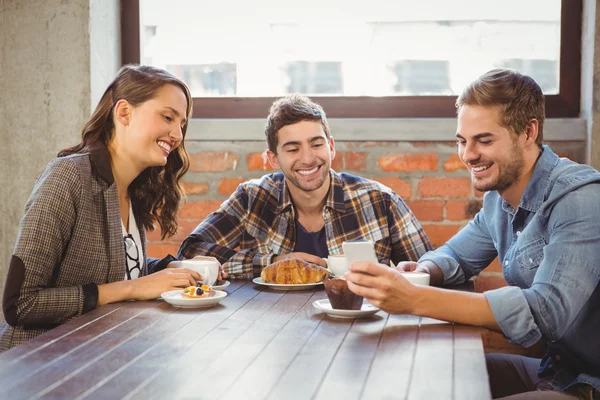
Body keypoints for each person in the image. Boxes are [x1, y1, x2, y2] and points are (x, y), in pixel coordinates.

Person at [346, 69, 600, 399]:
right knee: (425, 375)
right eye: (462, 141)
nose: (468, 155)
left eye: (484, 140)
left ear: (528, 131)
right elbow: (455, 256)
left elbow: (545, 313)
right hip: (556, 372)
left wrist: (415, 299)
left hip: (590, 384)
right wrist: (424, 271)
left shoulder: (580, 199)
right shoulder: (500, 198)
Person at [0, 65, 204, 352]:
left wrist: (174, 269)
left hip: (101, 358)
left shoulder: (132, 189)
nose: (178, 135)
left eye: (181, 124)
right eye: (168, 117)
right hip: (40, 366)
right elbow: (20, 304)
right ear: (123, 113)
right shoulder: (68, 177)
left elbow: (117, 274)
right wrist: (133, 289)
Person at [178, 94, 432, 278]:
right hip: (271, 330)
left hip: (357, 331)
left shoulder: (379, 201)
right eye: (293, 149)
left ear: (331, 146)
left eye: (316, 144)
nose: (308, 158)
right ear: (273, 159)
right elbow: (190, 253)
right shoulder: (251, 198)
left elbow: (426, 272)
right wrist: (273, 263)